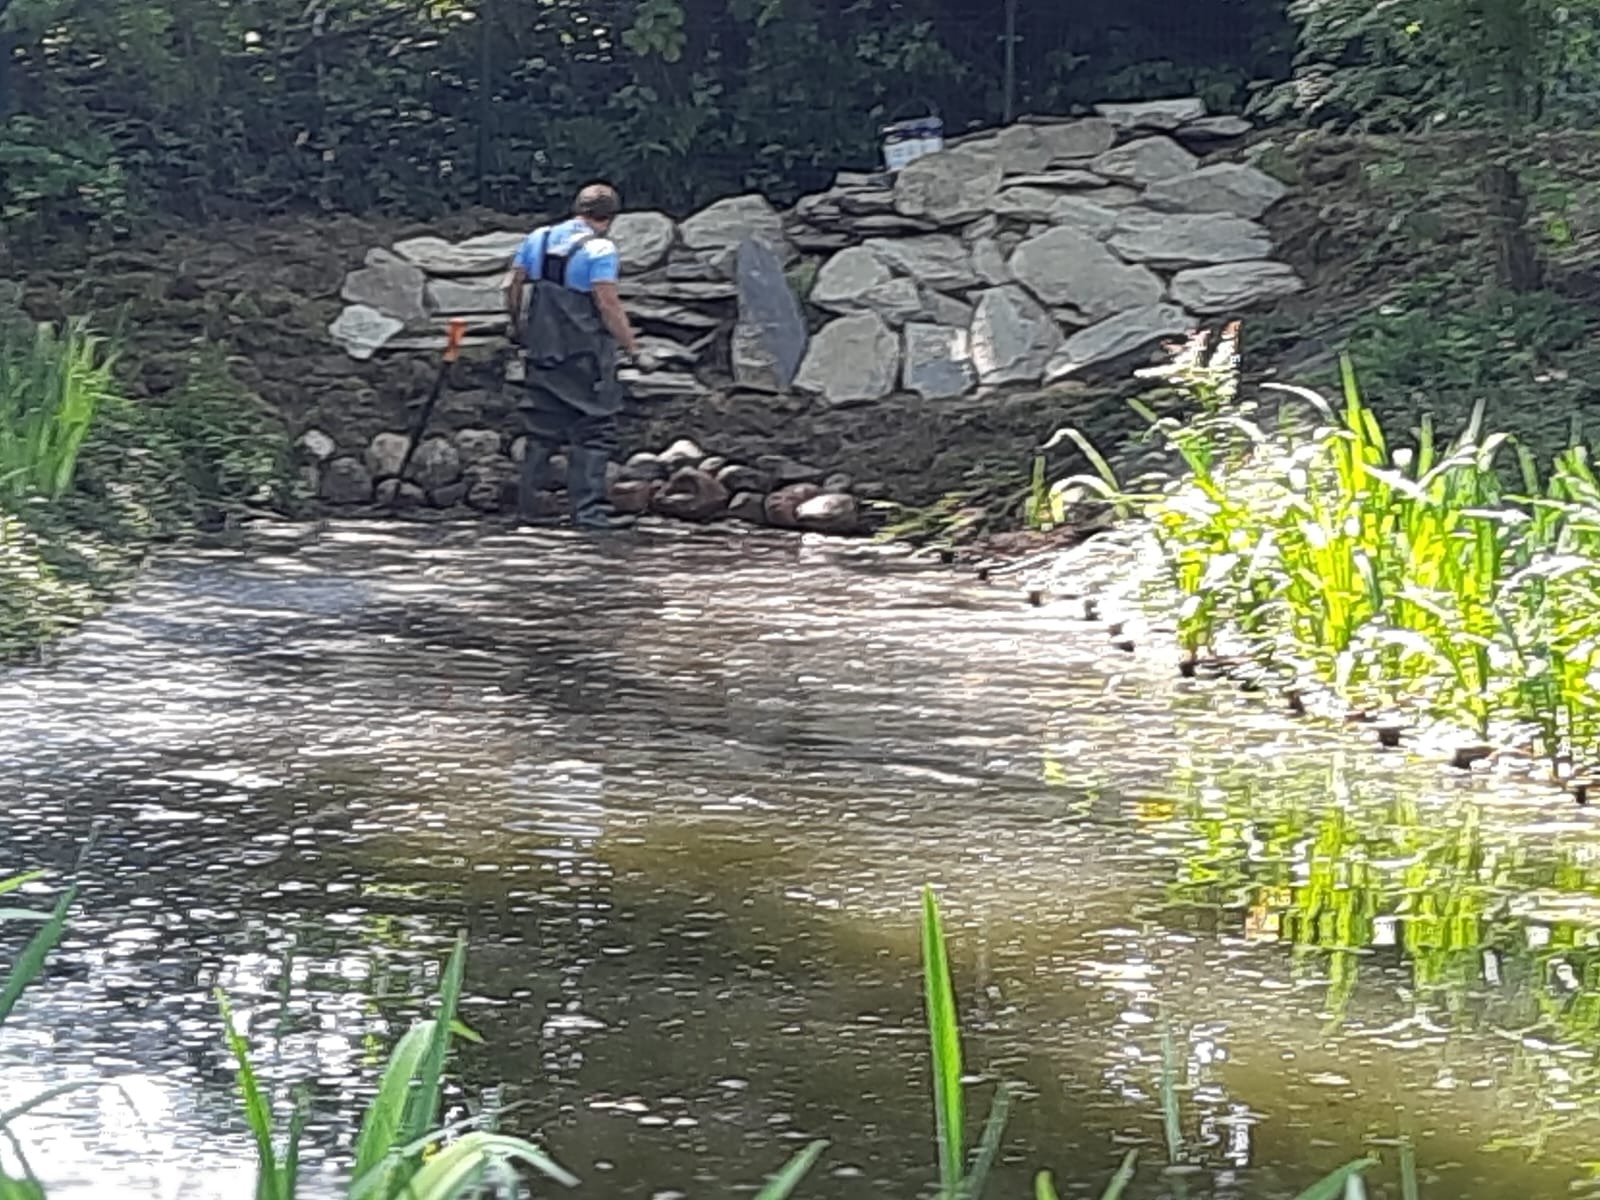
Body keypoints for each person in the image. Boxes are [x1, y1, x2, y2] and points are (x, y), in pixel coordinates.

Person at [504, 182, 658, 530]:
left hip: (543, 350)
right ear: (610, 218)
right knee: (594, 429)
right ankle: (587, 514)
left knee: (541, 429)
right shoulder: (601, 249)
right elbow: (607, 303)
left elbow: (512, 286)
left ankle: (528, 510)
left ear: (577, 209)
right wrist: (633, 349)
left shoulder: (539, 238)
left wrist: (517, 326)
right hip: (585, 355)